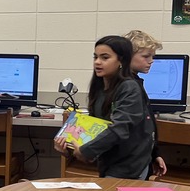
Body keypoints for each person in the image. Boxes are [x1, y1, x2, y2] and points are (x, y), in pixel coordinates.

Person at [54, 35, 157, 179]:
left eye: (105, 57)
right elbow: (95, 128)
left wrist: (86, 151)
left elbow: (119, 129)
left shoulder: (129, 87)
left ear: (121, 60)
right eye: (95, 57)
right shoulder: (100, 87)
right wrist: (68, 148)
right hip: (108, 162)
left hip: (128, 166)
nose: (97, 62)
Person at [124, 29, 167, 178]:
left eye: (152, 56)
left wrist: (155, 153)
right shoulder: (127, 86)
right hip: (130, 162)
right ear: (127, 56)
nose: (151, 61)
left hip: (141, 157)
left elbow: (147, 124)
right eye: (146, 56)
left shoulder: (137, 83)